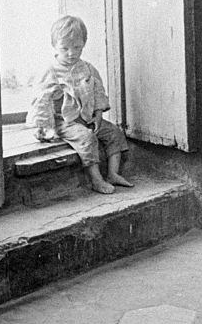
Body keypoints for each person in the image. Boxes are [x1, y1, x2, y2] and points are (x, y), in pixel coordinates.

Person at [27, 15, 132, 195]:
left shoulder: (88, 68)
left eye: (77, 47)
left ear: (83, 44)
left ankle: (113, 173)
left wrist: (98, 115)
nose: (71, 53)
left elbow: (98, 93)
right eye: (65, 48)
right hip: (64, 122)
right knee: (87, 138)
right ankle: (96, 179)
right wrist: (44, 128)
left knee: (114, 133)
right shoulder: (50, 71)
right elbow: (41, 101)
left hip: (87, 117)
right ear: (54, 46)